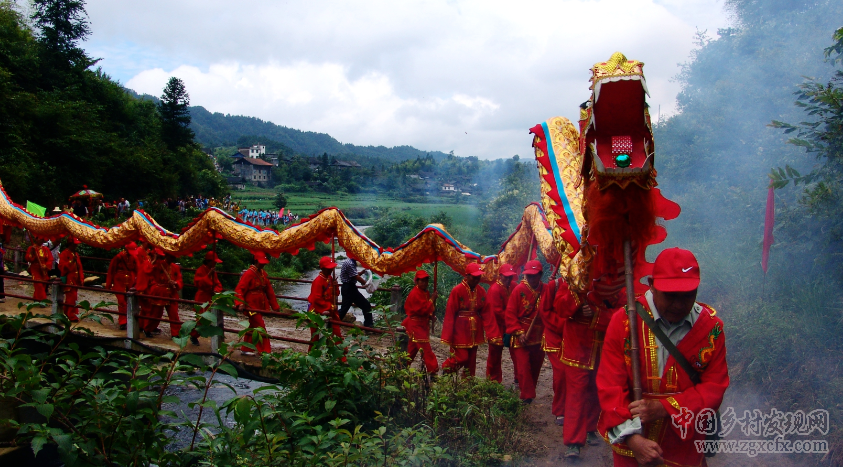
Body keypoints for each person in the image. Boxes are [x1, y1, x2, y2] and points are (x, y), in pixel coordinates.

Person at [597, 248, 729, 467]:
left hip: (684, 443)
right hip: (633, 445)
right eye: (670, 295)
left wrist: (665, 407)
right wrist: (633, 439)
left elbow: (714, 388)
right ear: (651, 284)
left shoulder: (711, 328)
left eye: (688, 295)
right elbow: (610, 386)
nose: (679, 304)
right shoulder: (624, 322)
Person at [555, 277, 614, 458]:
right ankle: (573, 442)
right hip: (576, 347)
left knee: (596, 391)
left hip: (602, 347)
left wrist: (597, 314)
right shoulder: (570, 279)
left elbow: (625, 312)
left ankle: (591, 428)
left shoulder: (613, 281)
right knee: (576, 394)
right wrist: (578, 297)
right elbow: (560, 307)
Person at [441, 262, 501, 377]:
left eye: (478, 277)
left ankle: (468, 384)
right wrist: (448, 335)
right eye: (474, 277)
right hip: (460, 330)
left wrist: (493, 334)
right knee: (462, 357)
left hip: (475, 331)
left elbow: (487, 312)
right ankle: (446, 369)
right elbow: (450, 313)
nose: (476, 280)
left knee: (472, 360)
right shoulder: (457, 290)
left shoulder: (481, 291)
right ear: (467, 276)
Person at [505, 260, 546, 403]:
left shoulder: (546, 289)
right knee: (523, 367)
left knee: (536, 365)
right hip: (521, 334)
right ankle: (527, 395)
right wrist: (519, 331)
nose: (531, 278)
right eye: (529, 275)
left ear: (540, 275)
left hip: (539, 335)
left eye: (535, 275)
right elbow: (510, 314)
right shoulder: (518, 290)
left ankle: (530, 390)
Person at [235, 251, 279, 355]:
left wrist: (275, 305)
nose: (263, 264)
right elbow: (239, 289)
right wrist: (239, 302)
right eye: (261, 262)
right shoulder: (249, 273)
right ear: (256, 261)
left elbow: (269, 290)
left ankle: (246, 349)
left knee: (253, 326)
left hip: (259, 303)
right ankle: (265, 351)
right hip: (251, 304)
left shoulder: (263, 274)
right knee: (260, 326)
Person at [540, 276, 567, 427]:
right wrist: (562, 324)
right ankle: (560, 409)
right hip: (555, 336)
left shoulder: (586, 284)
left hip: (577, 337)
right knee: (561, 374)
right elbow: (545, 311)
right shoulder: (554, 286)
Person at [485, 263, 517, 383]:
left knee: (517, 351)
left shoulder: (513, 285)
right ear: (500, 276)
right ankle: (493, 380)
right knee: (495, 354)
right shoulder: (495, 289)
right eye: (506, 277)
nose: (508, 279)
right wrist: (513, 319)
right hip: (496, 326)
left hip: (511, 324)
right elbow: (497, 311)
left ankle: (519, 377)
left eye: (510, 277)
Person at [402, 270, 438, 374]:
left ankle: (401, 367)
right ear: (417, 281)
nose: (425, 283)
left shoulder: (425, 292)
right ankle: (433, 371)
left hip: (421, 325)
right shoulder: (415, 293)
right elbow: (422, 310)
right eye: (422, 281)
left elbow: (425, 310)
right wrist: (432, 299)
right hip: (416, 326)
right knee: (426, 350)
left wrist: (431, 316)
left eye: (426, 280)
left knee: (411, 350)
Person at [141, 250, 183, 338]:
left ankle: (175, 333)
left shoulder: (175, 267)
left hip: (171, 292)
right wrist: (154, 259)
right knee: (156, 313)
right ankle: (147, 329)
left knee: (174, 314)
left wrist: (175, 283)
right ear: (167, 255)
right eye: (171, 256)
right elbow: (147, 271)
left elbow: (179, 279)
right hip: (159, 292)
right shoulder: (158, 264)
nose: (173, 258)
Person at [307, 256, 341, 348]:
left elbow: (336, 293)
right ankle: (312, 356)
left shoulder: (330, 278)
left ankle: (341, 357)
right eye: (328, 268)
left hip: (330, 311)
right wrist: (330, 306)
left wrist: (336, 286)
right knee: (315, 338)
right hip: (317, 312)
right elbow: (316, 299)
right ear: (323, 268)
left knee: (336, 334)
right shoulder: (317, 281)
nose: (331, 270)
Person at [192, 250, 223, 346]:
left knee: (210, 319)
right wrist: (209, 274)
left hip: (210, 297)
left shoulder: (214, 272)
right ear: (209, 261)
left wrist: (217, 290)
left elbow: (218, 284)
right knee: (201, 319)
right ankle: (194, 335)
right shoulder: (200, 270)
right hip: (202, 297)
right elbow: (199, 283)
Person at [106, 242, 138, 330]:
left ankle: (129, 319)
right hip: (119, 281)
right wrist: (109, 284)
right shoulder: (118, 257)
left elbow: (137, 270)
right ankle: (123, 321)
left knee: (129, 301)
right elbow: (111, 270)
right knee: (121, 301)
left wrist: (137, 283)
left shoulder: (134, 257)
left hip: (130, 280)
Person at [338, 257, 374, 327]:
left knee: (365, 305)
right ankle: (332, 323)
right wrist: (367, 284)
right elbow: (356, 277)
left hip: (350, 288)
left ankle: (368, 325)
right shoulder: (350, 263)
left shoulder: (351, 262)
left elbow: (353, 274)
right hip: (349, 288)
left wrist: (362, 272)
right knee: (344, 309)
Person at [58, 238, 84, 322]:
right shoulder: (64, 254)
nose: (76, 246)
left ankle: (69, 313)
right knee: (71, 297)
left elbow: (79, 267)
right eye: (74, 244)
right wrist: (70, 262)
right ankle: (71, 315)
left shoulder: (75, 254)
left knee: (73, 297)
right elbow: (61, 267)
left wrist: (81, 278)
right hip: (69, 278)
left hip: (75, 278)